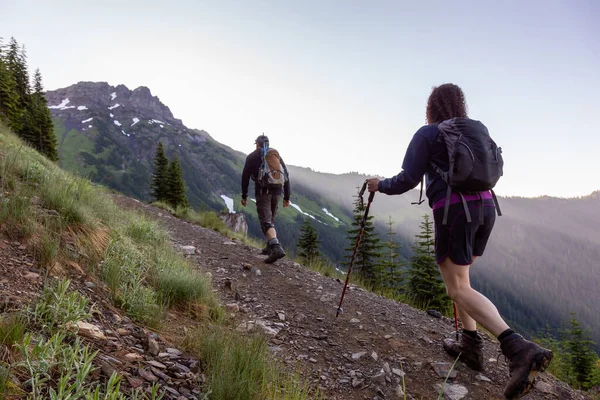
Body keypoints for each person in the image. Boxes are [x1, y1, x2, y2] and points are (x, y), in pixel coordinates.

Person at [366, 83, 553, 400]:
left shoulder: (427, 134)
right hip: (486, 209)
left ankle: (518, 349)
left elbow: (407, 180)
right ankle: (470, 345)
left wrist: (378, 185)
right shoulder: (475, 131)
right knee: (463, 281)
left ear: (431, 107)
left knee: (456, 288)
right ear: (460, 105)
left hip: (455, 212)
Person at [241, 134, 290, 264]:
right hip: (277, 192)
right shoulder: (275, 155)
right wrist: (287, 197)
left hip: (263, 192)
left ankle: (276, 247)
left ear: (257, 144)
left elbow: (245, 177)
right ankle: (269, 247)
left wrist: (244, 195)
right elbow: (286, 175)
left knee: (266, 222)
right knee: (271, 220)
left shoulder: (252, 157)